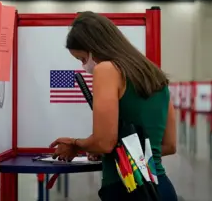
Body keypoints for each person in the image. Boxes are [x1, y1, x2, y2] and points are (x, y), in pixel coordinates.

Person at [49, 11, 178, 201]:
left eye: (83, 59)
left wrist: (75, 145)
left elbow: (104, 142)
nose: (85, 66)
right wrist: (117, 153)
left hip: (127, 189)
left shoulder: (107, 69)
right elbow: (168, 145)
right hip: (161, 189)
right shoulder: (154, 75)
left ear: (94, 47)